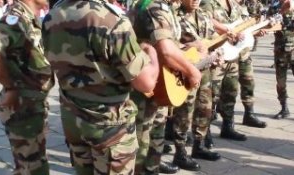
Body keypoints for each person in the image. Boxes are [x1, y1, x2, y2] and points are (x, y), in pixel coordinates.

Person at [42, 0, 160, 174]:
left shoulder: (52, 15)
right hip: (109, 123)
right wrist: (152, 55)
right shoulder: (112, 20)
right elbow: (146, 83)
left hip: (73, 117)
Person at [131, 0, 203, 173]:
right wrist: (192, 72)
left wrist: (190, 49)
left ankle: (151, 168)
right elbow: (165, 50)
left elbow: (168, 45)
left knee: (155, 136)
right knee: (142, 142)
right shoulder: (154, 6)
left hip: (157, 83)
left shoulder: (160, 6)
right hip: (146, 89)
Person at [0, 0, 54, 174]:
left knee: (28, 165)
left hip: (32, 104)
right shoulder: (14, 19)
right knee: (33, 168)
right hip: (23, 105)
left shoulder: (27, 18)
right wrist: (10, 86)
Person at [201, 0, 267, 142]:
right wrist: (226, 29)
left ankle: (228, 126)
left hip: (233, 55)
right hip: (216, 56)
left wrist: (255, 32)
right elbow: (204, 19)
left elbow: (242, 27)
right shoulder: (209, 3)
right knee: (211, 95)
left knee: (231, 91)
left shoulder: (235, 5)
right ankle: (204, 133)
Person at [171, 0, 225, 169]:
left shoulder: (204, 15)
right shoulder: (173, 15)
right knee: (184, 111)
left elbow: (212, 41)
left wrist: (218, 53)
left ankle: (199, 145)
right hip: (185, 71)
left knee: (205, 108)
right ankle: (180, 152)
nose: (195, 1)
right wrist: (188, 45)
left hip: (205, 70)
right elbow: (167, 44)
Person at [268, 0, 294, 119]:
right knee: (281, 82)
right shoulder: (274, 7)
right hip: (280, 50)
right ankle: (284, 108)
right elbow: (268, 23)